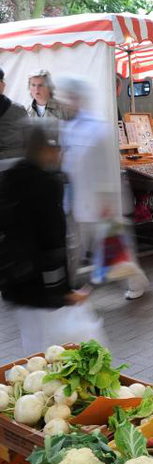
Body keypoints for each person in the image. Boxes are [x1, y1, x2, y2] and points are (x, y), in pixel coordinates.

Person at [0, 120, 90, 353]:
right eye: (57, 147)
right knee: (47, 348)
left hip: (15, 279)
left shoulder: (9, 177)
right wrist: (64, 291)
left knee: (30, 340)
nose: (60, 153)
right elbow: (53, 242)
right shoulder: (48, 184)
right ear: (45, 149)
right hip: (40, 283)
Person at [56, 77, 149, 300]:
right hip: (77, 200)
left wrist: (109, 201)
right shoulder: (67, 127)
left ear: (79, 98)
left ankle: (137, 281)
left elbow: (110, 167)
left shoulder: (99, 128)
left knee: (115, 250)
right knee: (74, 248)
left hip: (101, 203)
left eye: (69, 97)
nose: (66, 103)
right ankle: (65, 289)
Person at [0, 67, 28, 162]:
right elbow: (30, 140)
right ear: (2, 85)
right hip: (15, 167)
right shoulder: (17, 109)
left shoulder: (17, 109)